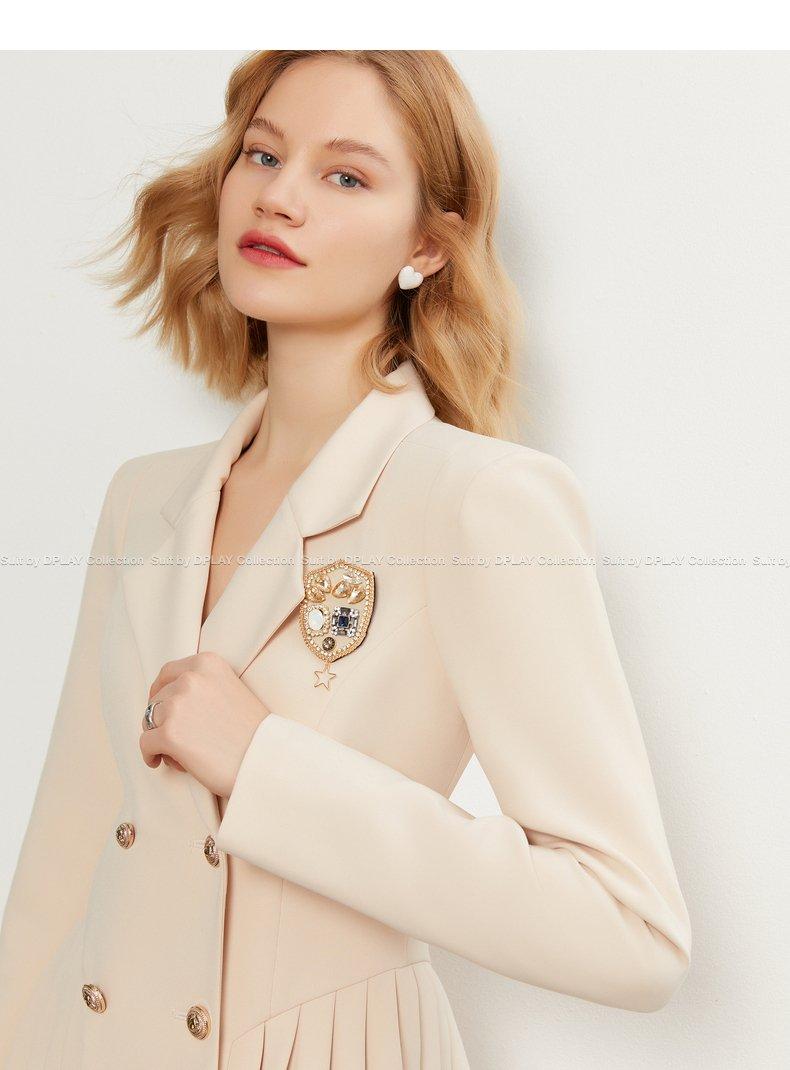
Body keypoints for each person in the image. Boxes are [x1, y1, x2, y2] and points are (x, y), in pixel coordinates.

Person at [0, 50, 692, 1069]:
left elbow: (630, 930)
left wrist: (267, 767)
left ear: (429, 244)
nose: (279, 196)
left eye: (344, 175)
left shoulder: (479, 501)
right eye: (261, 154)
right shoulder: (142, 498)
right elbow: (64, 855)